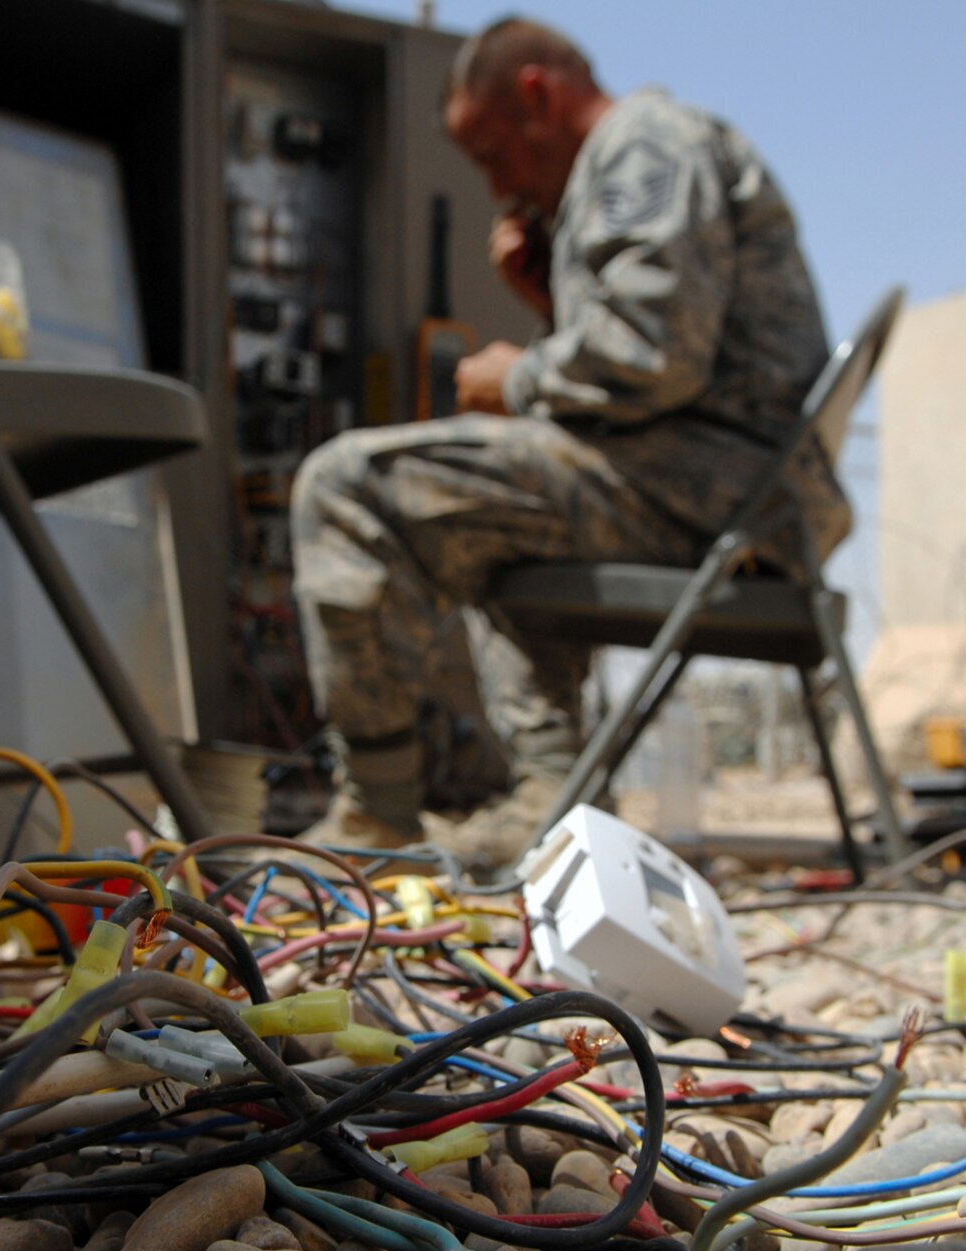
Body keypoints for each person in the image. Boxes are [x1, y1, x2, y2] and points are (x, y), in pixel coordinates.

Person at [291, 16, 846, 864]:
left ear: (537, 97)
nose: (495, 184)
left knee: (345, 483)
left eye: (491, 155)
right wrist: (550, 300)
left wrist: (517, 377)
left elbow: (656, 356)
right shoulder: (627, 159)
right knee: (490, 516)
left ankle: (375, 808)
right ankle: (556, 789)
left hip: (715, 491)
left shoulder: (642, 143)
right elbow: (666, 359)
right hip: (719, 487)